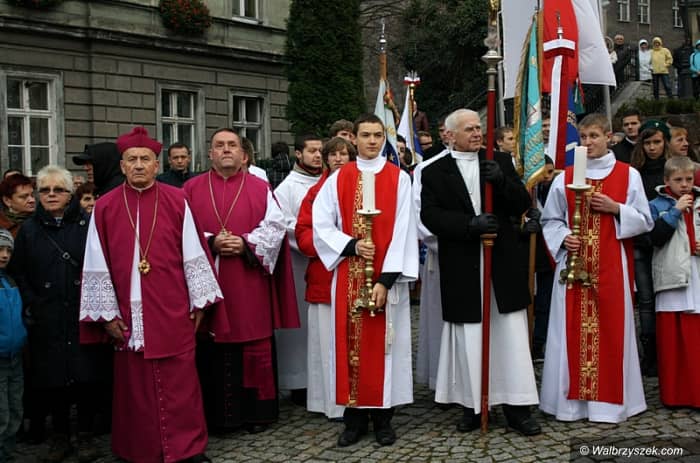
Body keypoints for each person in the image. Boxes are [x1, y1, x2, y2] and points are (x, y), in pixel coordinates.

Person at [79, 126, 223, 463]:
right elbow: (95, 261)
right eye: (132, 160)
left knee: (181, 382)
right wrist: (107, 314)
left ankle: (188, 449)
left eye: (146, 159)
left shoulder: (176, 199)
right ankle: (137, 448)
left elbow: (194, 251)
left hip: (172, 307)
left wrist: (199, 303)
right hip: (129, 310)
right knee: (134, 386)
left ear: (157, 165)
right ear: (122, 166)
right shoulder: (105, 206)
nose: (139, 165)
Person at [420, 109, 541, 436]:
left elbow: (521, 203)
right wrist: (468, 225)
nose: (477, 133)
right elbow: (430, 216)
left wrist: (501, 182)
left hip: (501, 261)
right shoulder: (434, 171)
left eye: (478, 128)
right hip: (462, 263)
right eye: (469, 129)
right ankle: (473, 405)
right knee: (470, 337)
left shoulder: (498, 161)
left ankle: (517, 407)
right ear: (450, 135)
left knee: (509, 334)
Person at [313, 113, 418, 447]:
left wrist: (386, 280)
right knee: (349, 347)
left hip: (386, 280)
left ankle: (384, 418)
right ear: (354, 139)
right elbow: (321, 223)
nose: (372, 141)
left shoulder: (399, 179)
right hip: (348, 274)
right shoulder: (338, 178)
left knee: (386, 349)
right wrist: (352, 245)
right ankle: (354, 419)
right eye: (366, 135)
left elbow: (404, 230)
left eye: (377, 135)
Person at [540, 113, 653, 423]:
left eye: (594, 136)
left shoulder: (628, 175)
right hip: (573, 267)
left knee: (612, 331)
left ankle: (610, 405)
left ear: (609, 137)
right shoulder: (565, 177)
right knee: (569, 331)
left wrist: (616, 209)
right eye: (583, 137)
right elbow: (550, 219)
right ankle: (570, 406)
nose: (588, 143)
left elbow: (645, 220)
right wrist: (564, 237)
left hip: (612, 264)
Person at [184, 128, 298, 434]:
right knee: (210, 348)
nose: (225, 150)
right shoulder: (190, 189)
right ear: (210, 154)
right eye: (219, 145)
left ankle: (256, 414)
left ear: (244, 155)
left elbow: (275, 227)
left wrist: (245, 243)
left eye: (232, 145)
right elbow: (180, 231)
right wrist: (211, 241)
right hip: (208, 281)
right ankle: (217, 418)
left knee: (253, 345)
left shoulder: (260, 188)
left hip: (248, 282)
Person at [11, 165, 108, 462]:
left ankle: (86, 435)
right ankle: (60, 436)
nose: (51, 195)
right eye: (45, 190)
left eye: (58, 190)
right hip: (47, 314)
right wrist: (32, 302)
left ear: (70, 194)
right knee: (52, 378)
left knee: (85, 375)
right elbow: (19, 272)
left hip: (81, 310)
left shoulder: (88, 225)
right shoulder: (29, 230)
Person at [295, 136, 356, 419]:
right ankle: (329, 402)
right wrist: (337, 245)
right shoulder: (315, 193)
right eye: (333, 154)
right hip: (324, 274)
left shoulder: (363, 189)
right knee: (326, 342)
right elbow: (303, 233)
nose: (338, 159)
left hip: (357, 272)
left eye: (344, 154)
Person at [274, 133, 323, 407]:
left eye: (320, 151)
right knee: (300, 326)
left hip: (325, 264)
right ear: (298, 154)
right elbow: (285, 224)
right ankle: (298, 382)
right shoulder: (287, 187)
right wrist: (317, 239)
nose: (317, 155)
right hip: (299, 264)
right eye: (312, 151)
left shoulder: (329, 180)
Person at [648, 156, 700, 408]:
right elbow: (654, 237)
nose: (685, 185)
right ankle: (674, 395)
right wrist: (675, 211)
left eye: (688, 179)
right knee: (672, 339)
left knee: (695, 337)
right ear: (667, 180)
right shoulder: (656, 205)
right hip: (671, 275)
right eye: (678, 180)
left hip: (696, 274)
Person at [630, 120, 672, 377]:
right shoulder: (635, 173)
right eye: (647, 143)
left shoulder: (672, 169)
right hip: (641, 242)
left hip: (668, 243)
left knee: (668, 295)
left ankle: (670, 349)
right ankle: (650, 354)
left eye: (657, 142)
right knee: (646, 300)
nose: (652, 147)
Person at [412, 143, 450, 391]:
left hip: (479, 251)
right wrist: (446, 241)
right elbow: (420, 213)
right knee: (439, 319)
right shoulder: (427, 169)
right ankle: (440, 378)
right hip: (443, 252)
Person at [0, 229, 26, 462]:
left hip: (15, 357)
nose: (4, 255)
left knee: (15, 409)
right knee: (2, 414)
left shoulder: (10, 281)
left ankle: (7, 454)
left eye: (8, 250)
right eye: (0, 249)